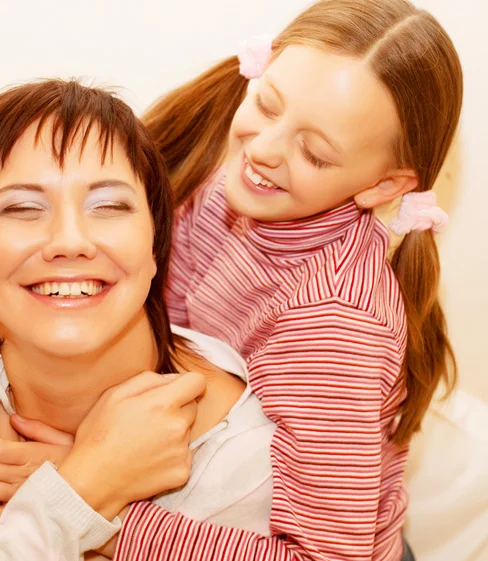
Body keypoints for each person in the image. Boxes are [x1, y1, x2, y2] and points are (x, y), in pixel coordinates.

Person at [105, 0, 462, 560]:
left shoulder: (336, 327)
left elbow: (325, 555)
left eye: (314, 153)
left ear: (383, 186)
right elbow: (158, 341)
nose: (263, 150)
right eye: (267, 105)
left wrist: (101, 516)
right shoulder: (226, 184)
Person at [0, 79, 278, 560]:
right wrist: (88, 484)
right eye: (22, 208)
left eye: (109, 205)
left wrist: (94, 514)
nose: (69, 241)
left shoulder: (244, 455)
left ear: (154, 248)